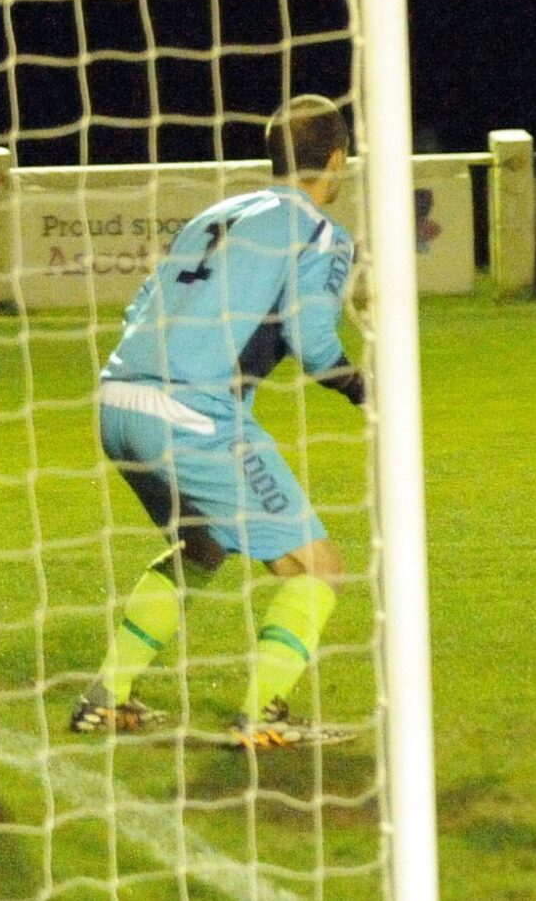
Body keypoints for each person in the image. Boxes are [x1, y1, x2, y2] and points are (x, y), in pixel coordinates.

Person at [71, 94, 365, 749]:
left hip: (118, 402)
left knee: (204, 548)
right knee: (318, 566)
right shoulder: (320, 231)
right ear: (338, 159)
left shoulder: (215, 213)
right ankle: (262, 715)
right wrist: (362, 386)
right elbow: (312, 338)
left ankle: (105, 697)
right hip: (191, 415)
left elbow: (141, 305)